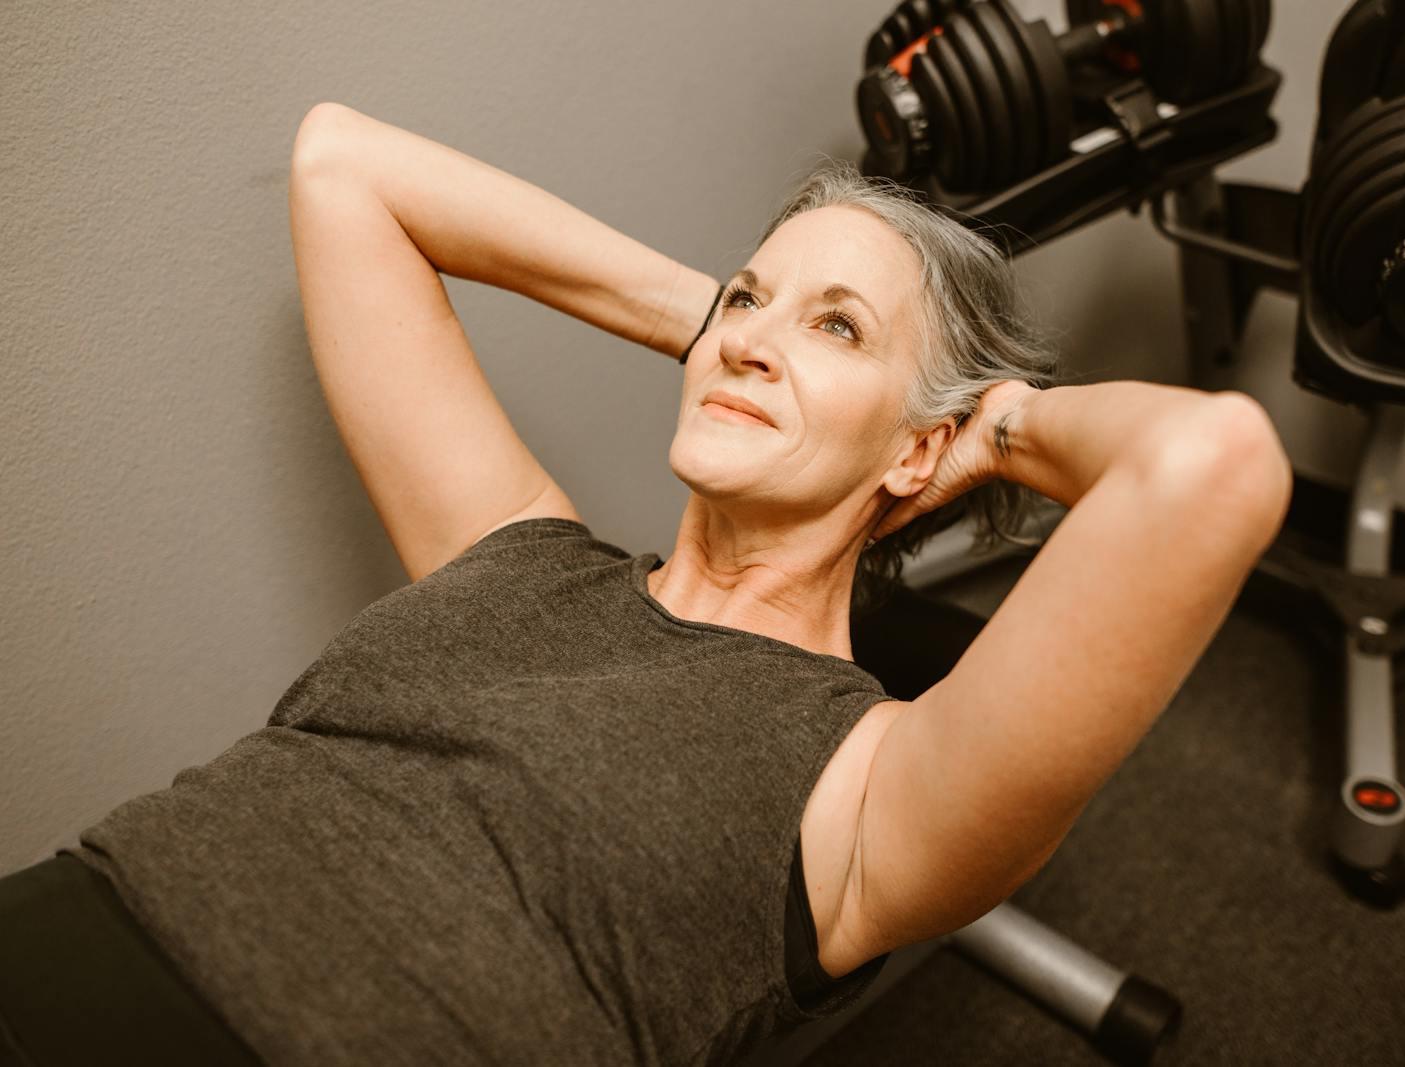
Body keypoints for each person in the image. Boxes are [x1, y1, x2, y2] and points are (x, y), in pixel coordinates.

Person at [0, 103, 1293, 1066]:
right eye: (749, 296)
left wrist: (982, 426)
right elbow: (346, 165)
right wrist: (731, 328)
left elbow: (1212, 462)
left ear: (918, 448)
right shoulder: (512, 547)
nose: (754, 333)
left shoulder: (873, 794)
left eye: (837, 325)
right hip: (71, 925)